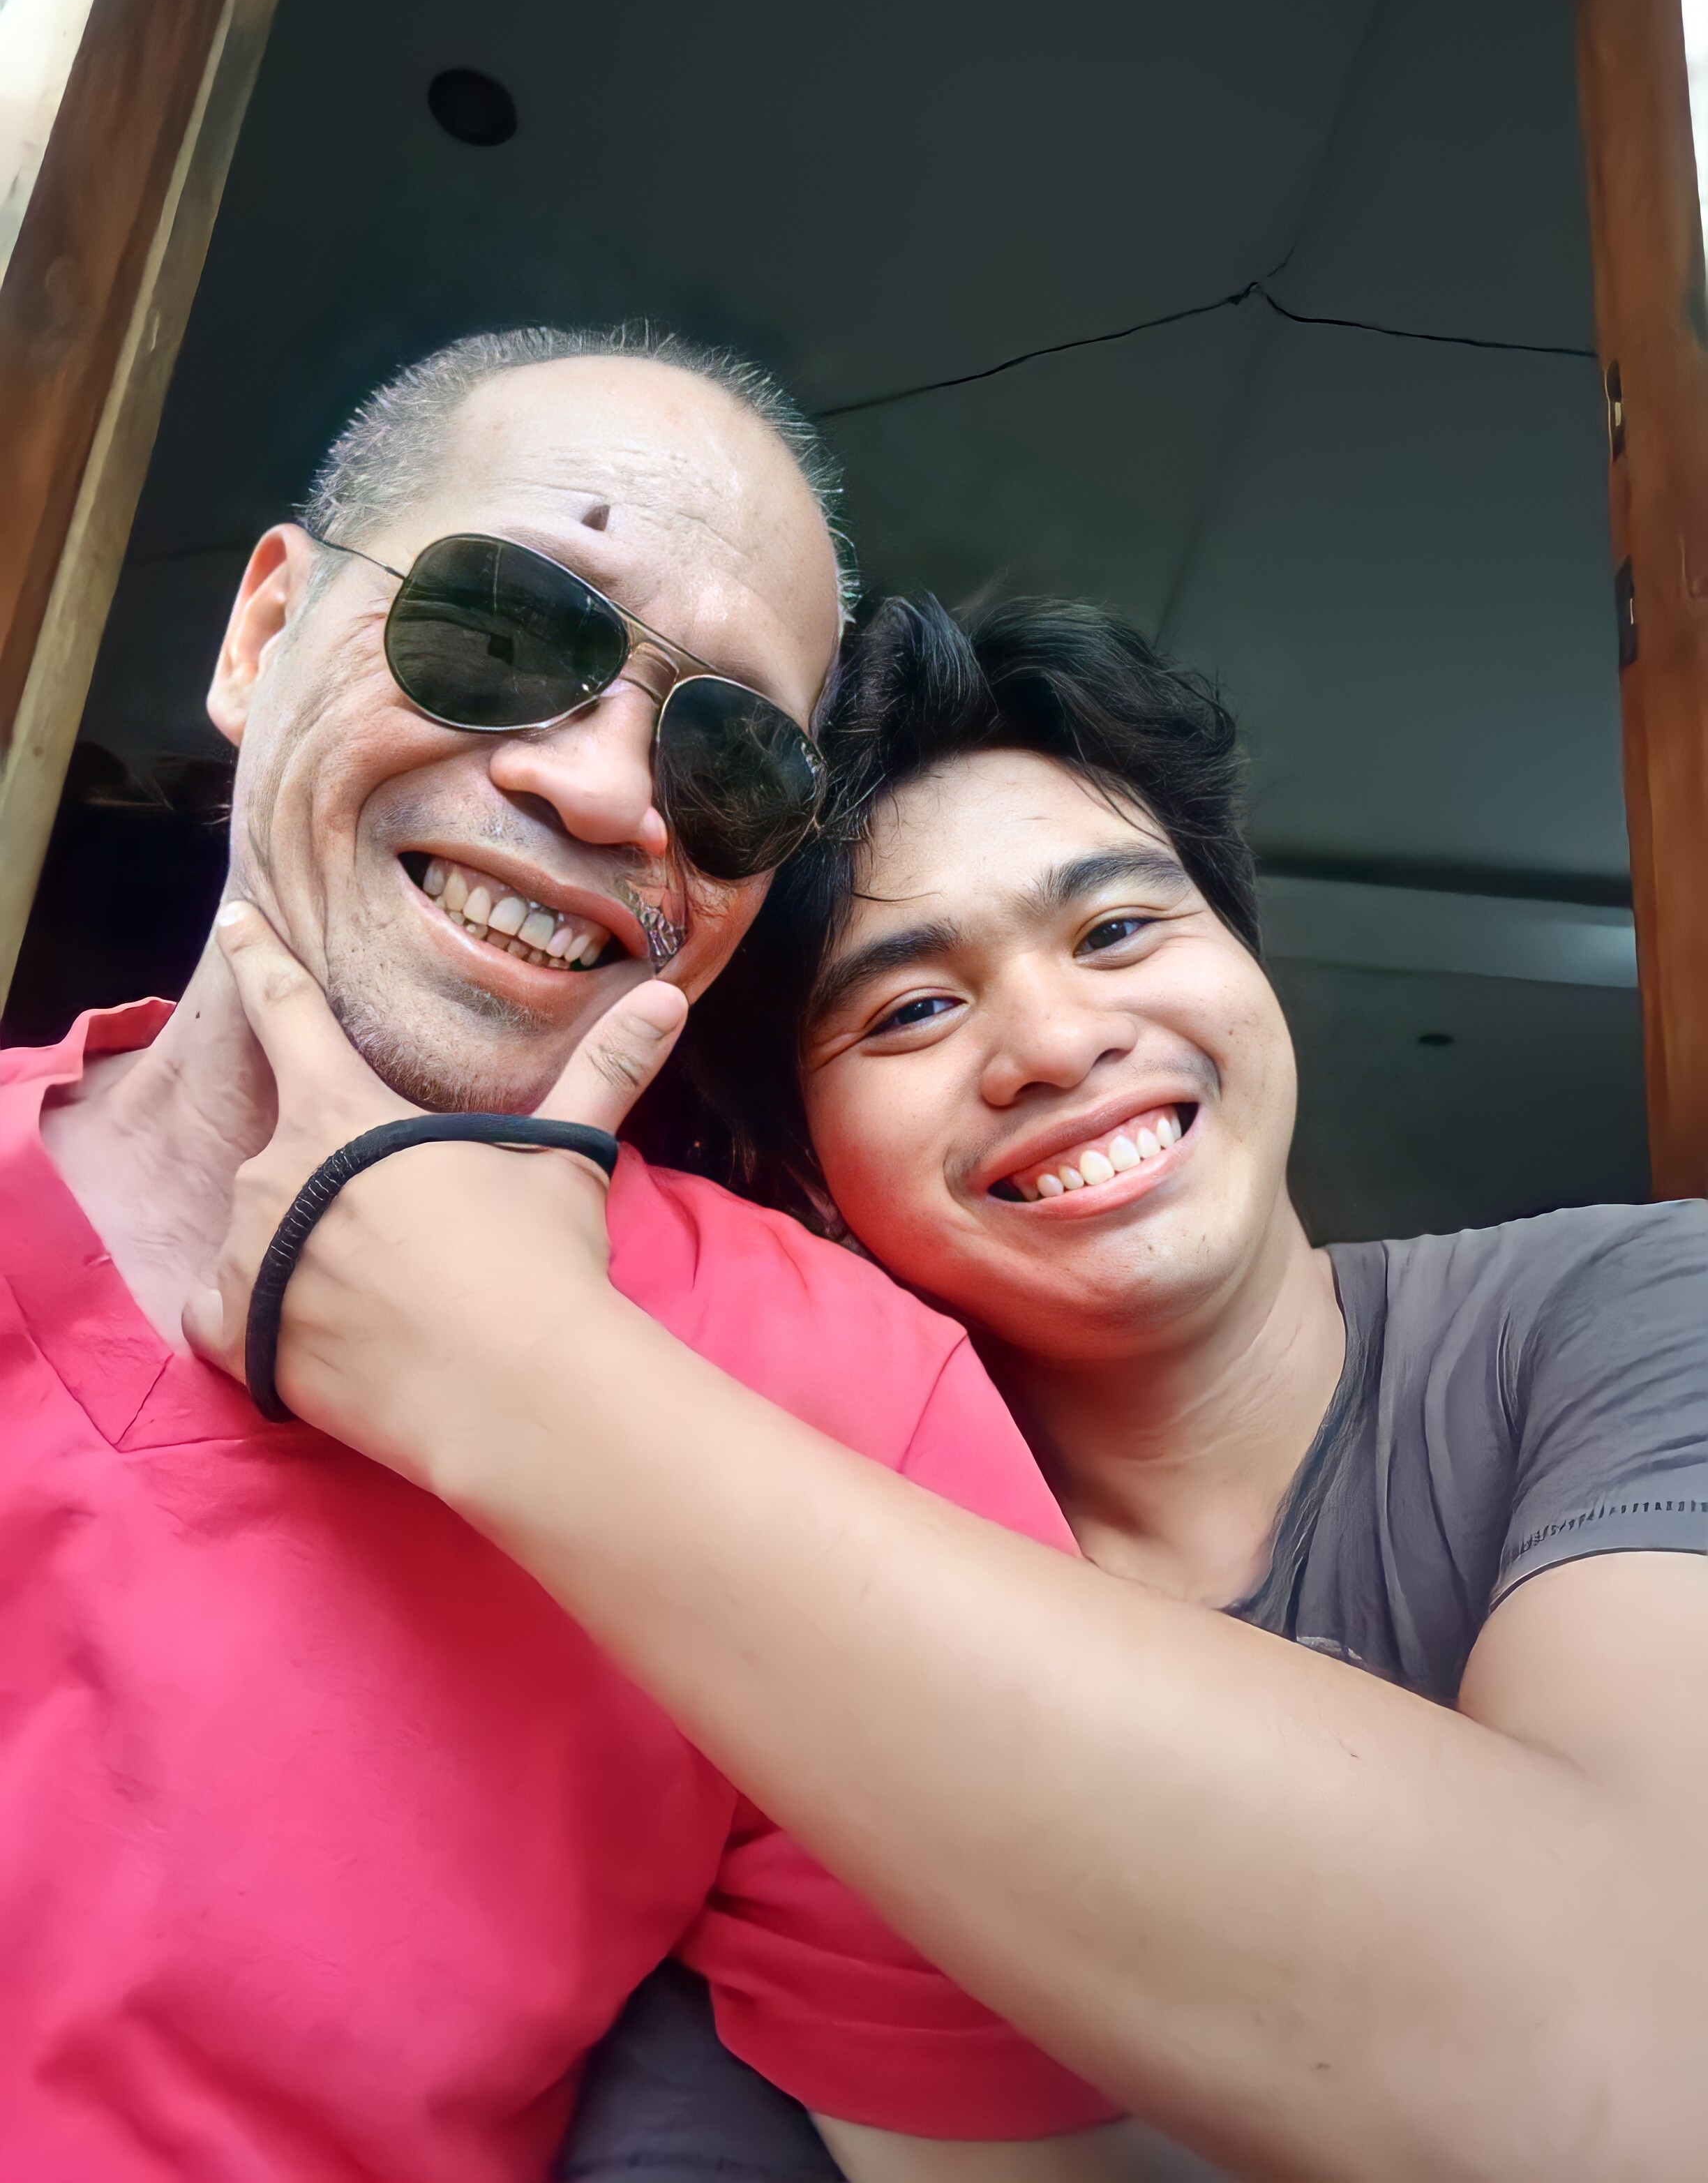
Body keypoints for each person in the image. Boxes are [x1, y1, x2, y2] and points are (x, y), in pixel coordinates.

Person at [188, 593, 1708, 2182]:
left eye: (1117, 932)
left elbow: (1657, 2064)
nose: (1056, 1040)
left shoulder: (1628, 1309)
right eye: (913, 1008)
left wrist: (510, 1365)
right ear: (801, 1170)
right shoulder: (707, 1626)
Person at [2, 333, 1137, 2180]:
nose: (611, 796)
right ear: (262, 634)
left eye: (730, 753)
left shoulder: (857, 1407)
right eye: (506, 628)